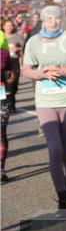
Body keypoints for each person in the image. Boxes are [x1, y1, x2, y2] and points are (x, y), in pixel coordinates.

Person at [20, 5, 66, 209]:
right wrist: (42, 74)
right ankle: (61, 195)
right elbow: (26, 70)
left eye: (57, 18)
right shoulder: (34, 42)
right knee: (54, 149)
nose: (53, 21)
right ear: (42, 20)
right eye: (49, 18)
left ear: (62, 19)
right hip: (45, 101)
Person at [0, 29, 17, 182]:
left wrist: (11, 76)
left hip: (1, 96)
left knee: (1, 131)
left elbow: (13, 73)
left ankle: (1, 168)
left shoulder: (4, 54)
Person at [1, 18, 23, 114]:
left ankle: (10, 102)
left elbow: (25, 47)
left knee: (13, 85)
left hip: (14, 62)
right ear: (3, 26)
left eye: (11, 25)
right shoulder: (1, 35)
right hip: (3, 63)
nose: (9, 27)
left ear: (13, 27)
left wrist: (17, 48)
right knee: (5, 86)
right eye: (7, 25)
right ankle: (8, 105)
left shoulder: (17, 37)